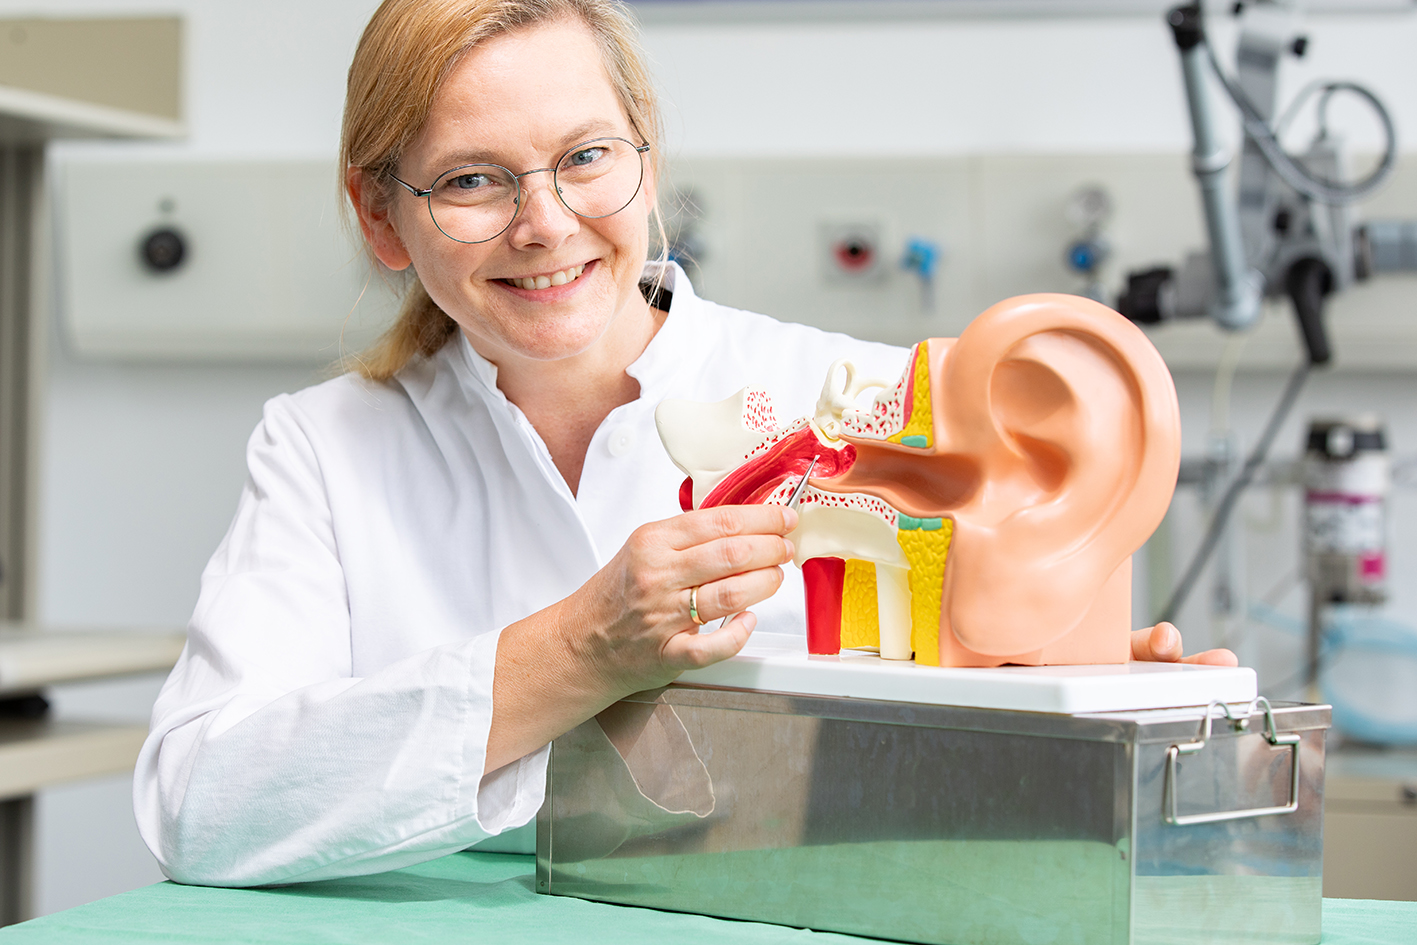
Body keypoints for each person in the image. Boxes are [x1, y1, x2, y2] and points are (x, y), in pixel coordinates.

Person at [134, 0, 1234, 888]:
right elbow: (202, 800)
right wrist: (581, 650)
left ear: (647, 166)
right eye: (471, 179)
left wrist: (1066, 716)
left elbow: (949, 804)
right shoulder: (326, 450)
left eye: (585, 157)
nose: (545, 223)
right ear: (383, 218)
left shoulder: (853, 403)